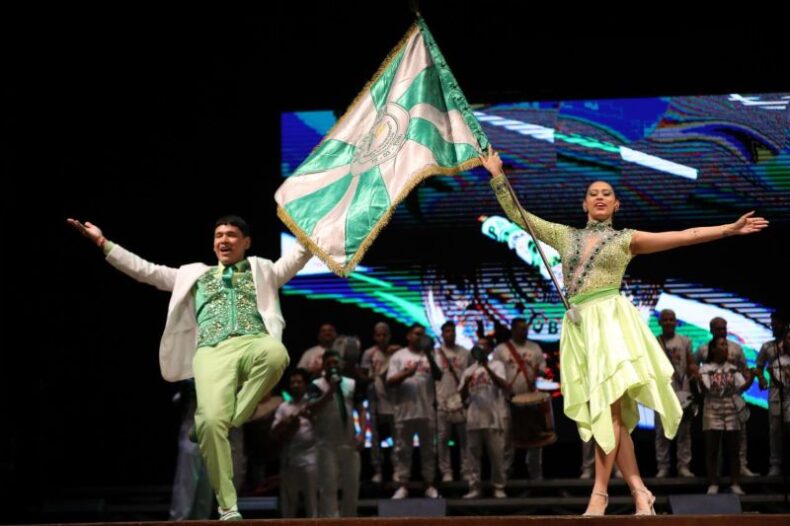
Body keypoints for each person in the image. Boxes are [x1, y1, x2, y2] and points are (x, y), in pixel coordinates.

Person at [480, 148, 768, 515]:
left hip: (611, 326)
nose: (600, 197)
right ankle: (639, 491)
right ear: (585, 204)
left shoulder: (626, 239)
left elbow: (683, 235)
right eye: (593, 194)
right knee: (611, 416)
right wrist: (497, 175)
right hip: (582, 329)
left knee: (609, 410)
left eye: (607, 194)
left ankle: (599, 493)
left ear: (616, 206)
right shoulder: (563, 235)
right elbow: (519, 217)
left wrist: (728, 229)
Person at [67, 215, 312, 520]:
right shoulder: (194, 275)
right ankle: (227, 506)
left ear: (246, 242)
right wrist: (104, 243)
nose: (224, 240)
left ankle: (234, 416)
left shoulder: (264, 270)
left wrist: (317, 224)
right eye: (219, 234)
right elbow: (147, 271)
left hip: (252, 343)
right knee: (209, 424)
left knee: (277, 355)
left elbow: (300, 254)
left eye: (232, 235)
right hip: (211, 352)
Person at [700, 335, 754, 495]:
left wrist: (751, 378)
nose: (726, 348)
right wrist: (698, 379)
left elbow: (741, 387)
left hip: (731, 409)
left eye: (726, 345)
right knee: (712, 449)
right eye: (722, 345)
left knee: (733, 449)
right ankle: (713, 483)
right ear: (714, 349)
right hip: (712, 409)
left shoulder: (733, 367)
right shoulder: (705, 368)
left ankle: (735, 483)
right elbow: (705, 390)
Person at [459, 336, 510, 499]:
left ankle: (498, 487)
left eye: (483, 346)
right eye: (478, 346)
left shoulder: (497, 365)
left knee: (497, 455)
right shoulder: (468, 370)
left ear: (489, 349)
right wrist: (466, 383)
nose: (480, 349)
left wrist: (487, 368)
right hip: (473, 418)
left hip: (493, 418)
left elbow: (504, 385)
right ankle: (474, 487)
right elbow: (462, 397)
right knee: (473, 456)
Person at [654, 309, 699, 478]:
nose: (667, 322)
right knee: (662, 431)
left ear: (676, 321)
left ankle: (683, 466)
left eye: (671, 319)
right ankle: (663, 466)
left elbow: (691, 363)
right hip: (662, 392)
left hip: (683, 390)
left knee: (684, 431)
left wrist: (695, 370)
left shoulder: (685, 341)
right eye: (664, 320)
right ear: (659, 322)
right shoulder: (654, 342)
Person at [271, 368, 317, 518]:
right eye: (292, 382)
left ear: (305, 384)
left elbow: (324, 429)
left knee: (312, 503)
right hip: (289, 461)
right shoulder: (284, 407)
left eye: (299, 382)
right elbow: (273, 433)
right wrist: (287, 422)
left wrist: (311, 417)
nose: (295, 385)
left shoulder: (314, 404)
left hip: (310, 460)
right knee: (289, 505)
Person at [755, 314, 790, 476]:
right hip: (776, 392)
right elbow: (758, 366)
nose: (774, 327)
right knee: (775, 428)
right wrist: (762, 378)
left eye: (777, 324)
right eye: (772, 324)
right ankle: (775, 464)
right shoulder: (768, 347)